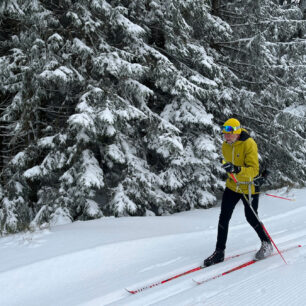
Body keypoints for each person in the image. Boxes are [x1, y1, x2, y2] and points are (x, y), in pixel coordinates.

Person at [203, 118, 273, 267]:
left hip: (249, 186)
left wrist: (236, 169)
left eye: (229, 134)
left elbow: (254, 170)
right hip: (233, 185)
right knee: (224, 217)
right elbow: (226, 162)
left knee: (251, 217)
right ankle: (219, 252)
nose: (226, 137)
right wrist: (228, 167)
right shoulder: (225, 145)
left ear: (237, 132)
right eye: (224, 134)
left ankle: (267, 243)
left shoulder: (249, 144)